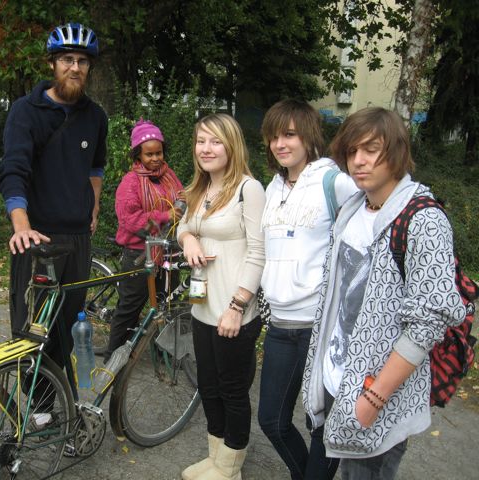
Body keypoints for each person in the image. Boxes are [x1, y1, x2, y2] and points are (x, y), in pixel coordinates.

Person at [302, 107, 466, 479]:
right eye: (351, 151)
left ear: (396, 151)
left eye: (371, 150)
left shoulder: (424, 219)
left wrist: (373, 401)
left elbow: (428, 323)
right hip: (334, 380)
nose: (359, 161)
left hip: (376, 397)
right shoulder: (353, 207)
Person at [0, 22, 107, 369]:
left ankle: (56, 398)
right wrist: (21, 226)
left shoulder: (96, 116)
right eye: (67, 59)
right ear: (52, 64)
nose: (75, 67)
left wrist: (94, 207)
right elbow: (13, 171)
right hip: (38, 236)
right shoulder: (25, 111)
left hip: (77, 238)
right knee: (32, 328)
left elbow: (96, 167)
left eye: (82, 61)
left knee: (69, 327)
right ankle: (34, 407)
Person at [257, 99, 358, 479]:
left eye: (289, 135)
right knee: (272, 419)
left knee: (322, 425)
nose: (280, 144)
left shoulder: (335, 181)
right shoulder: (273, 187)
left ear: (308, 137)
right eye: (273, 137)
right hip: (280, 325)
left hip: (321, 324)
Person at [177, 113, 265, 480]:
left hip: (234, 312)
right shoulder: (198, 190)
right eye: (201, 141)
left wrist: (237, 306)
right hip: (202, 309)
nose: (206, 149)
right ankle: (216, 457)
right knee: (208, 387)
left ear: (231, 146)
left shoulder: (249, 189)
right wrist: (188, 238)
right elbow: (184, 225)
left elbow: (259, 253)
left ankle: (231, 467)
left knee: (232, 391)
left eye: (215, 141)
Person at [104, 118, 184, 361]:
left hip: (168, 251)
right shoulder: (131, 182)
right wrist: (164, 216)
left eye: (158, 153)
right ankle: (114, 356)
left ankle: (164, 352)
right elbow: (130, 219)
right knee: (130, 307)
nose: (155, 159)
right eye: (149, 154)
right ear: (138, 155)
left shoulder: (169, 175)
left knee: (164, 305)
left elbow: (181, 196)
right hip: (139, 253)